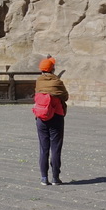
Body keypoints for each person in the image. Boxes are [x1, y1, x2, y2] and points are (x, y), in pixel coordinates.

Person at [33, 56, 69, 186]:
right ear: (53, 69)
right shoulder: (57, 82)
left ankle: (44, 177)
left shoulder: (39, 81)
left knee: (43, 148)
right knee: (55, 148)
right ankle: (55, 177)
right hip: (56, 117)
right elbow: (65, 96)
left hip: (41, 117)